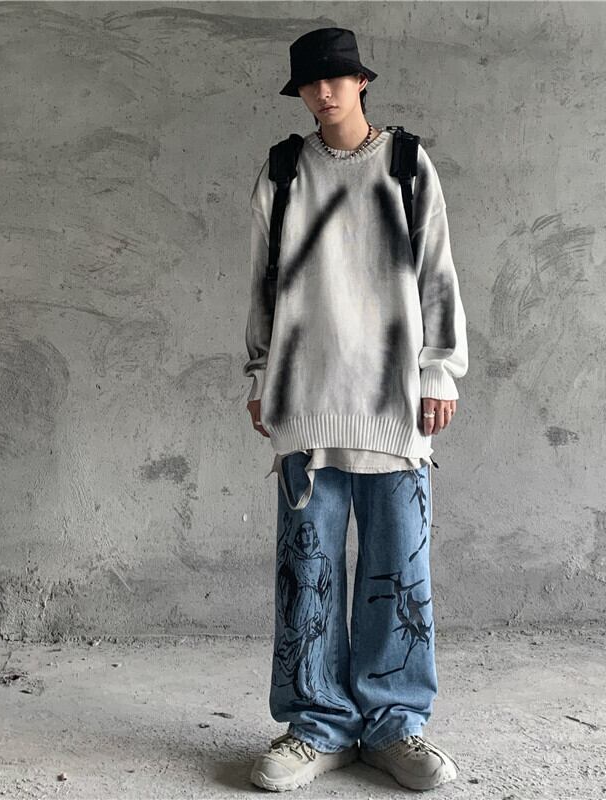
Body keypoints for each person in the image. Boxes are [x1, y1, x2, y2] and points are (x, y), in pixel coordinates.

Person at [243, 27, 468, 793]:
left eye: (336, 79)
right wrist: (259, 373)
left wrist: (439, 371)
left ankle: (395, 726)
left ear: (362, 81)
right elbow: (262, 283)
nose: (323, 92)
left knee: (398, 574)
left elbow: (437, 269)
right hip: (306, 401)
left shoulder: (405, 163)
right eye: (310, 83)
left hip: (393, 404)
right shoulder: (284, 171)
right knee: (306, 573)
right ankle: (316, 726)